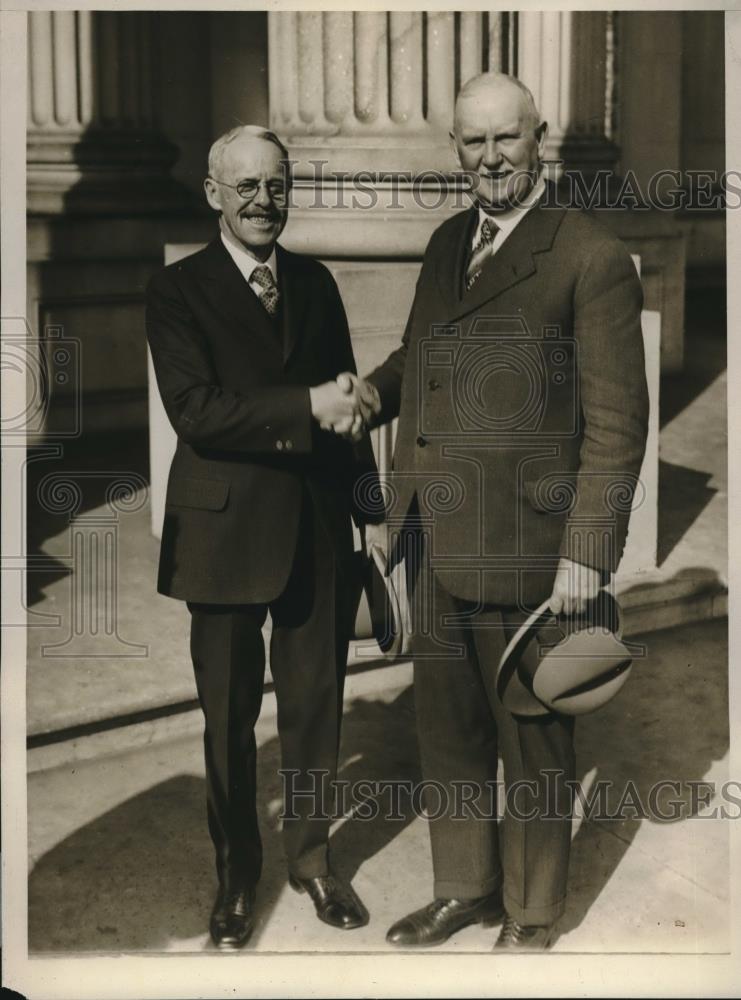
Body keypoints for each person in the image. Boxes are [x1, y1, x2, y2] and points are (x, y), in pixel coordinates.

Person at [338, 72, 650, 950]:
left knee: (532, 736)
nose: (490, 158)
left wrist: (586, 552)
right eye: (472, 142)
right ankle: (464, 888)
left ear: (537, 139)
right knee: (447, 729)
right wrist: (372, 394)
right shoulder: (447, 242)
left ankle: (531, 914)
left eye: (505, 138)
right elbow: (419, 352)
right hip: (433, 534)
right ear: (455, 149)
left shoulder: (589, 257)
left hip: (530, 547)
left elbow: (617, 425)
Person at [146, 125, 375, 949]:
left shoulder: (314, 283)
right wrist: (306, 405)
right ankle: (237, 875)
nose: (262, 201)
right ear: (213, 194)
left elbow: (347, 409)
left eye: (276, 184)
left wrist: (370, 515)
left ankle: (311, 861)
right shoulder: (176, 290)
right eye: (245, 186)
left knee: (314, 708)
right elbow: (196, 411)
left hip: (316, 527)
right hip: (223, 535)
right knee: (228, 718)